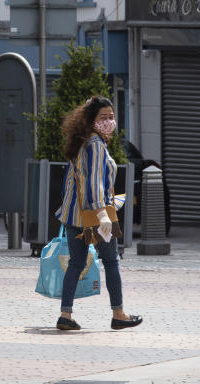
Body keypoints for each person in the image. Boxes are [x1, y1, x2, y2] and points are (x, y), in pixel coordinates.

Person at [54, 96, 143, 331]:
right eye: (103, 117)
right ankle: (119, 313)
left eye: (111, 117)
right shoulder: (94, 144)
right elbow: (94, 182)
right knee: (111, 262)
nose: (108, 121)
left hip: (74, 214)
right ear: (91, 120)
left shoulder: (83, 142)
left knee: (76, 263)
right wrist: (103, 215)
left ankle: (66, 315)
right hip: (95, 215)